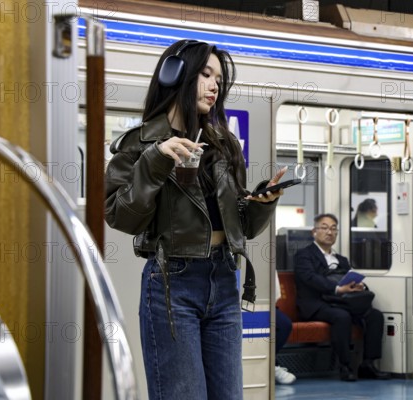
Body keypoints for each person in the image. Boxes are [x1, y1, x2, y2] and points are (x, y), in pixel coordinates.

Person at [104, 39, 286, 400]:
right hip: (172, 283)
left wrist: (264, 202)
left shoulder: (224, 145)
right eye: (206, 74)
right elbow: (121, 216)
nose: (215, 85)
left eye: (219, 78)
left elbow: (242, 225)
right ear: (177, 74)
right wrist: (155, 161)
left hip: (224, 277)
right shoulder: (138, 145)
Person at [294, 213, 390, 382]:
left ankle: (368, 364)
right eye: (324, 227)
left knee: (375, 316)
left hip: (341, 301)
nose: (329, 232)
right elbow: (309, 278)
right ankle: (345, 366)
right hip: (317, 303)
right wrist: (338, 288)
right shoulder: (304, 255)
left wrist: (358, 287)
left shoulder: (342, 260)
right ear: (314, 232)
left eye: (333, 228)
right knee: (342, 317)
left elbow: (350, 277)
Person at [274, 271, 296, 385]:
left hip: (265, 305)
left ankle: (272, 364)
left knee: (283, 324)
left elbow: (276, 292)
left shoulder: (268, 261)